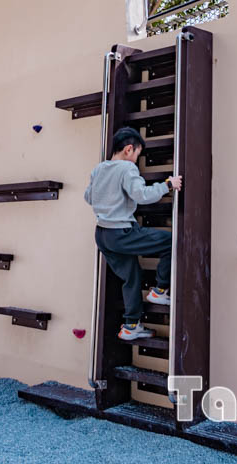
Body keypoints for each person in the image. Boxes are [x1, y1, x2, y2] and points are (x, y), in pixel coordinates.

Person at [84, 126, 182, 340]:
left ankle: (131, 326)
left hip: (102, 235)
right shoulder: (127, 169)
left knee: (131, 276)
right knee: (170, 241)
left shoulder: (99, 169)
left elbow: (88, 197)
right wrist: (167, 184)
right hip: (121, 233)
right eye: (138, 154)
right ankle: (160, 290)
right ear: (129, 149)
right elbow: (141, 195)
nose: (137, 160)